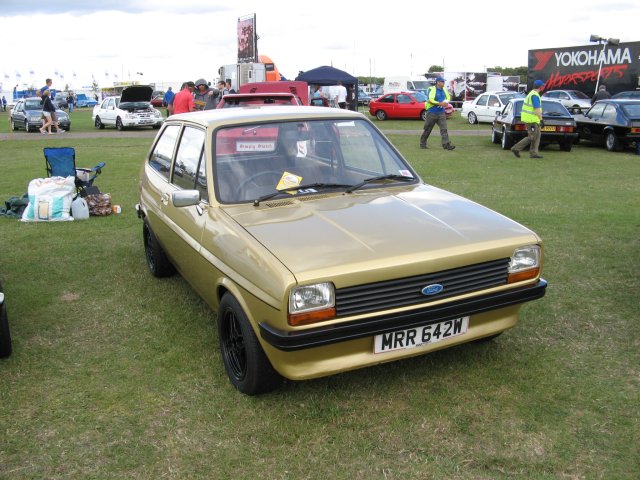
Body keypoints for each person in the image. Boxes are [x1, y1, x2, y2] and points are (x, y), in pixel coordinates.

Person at [511, 79, 545, 159]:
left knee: (537, 136)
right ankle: (516, 148)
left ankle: (534, 153)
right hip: (532, 120)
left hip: (532, 119)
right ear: (540, 87)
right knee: (532, 137)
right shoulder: (534, 95)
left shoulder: (532, 94)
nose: (543, 87)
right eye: (542, 86)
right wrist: (541, 120)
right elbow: (537, 109)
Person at [419, 76, 455, 150]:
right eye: (442, 82)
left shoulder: (444, 89)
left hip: (441, 113)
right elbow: (430, 100)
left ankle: (446, 145)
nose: (443, 83)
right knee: (428, 129)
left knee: (444, 129)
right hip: (432, 113)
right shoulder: (433, 89)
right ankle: (422, 143)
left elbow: (448, 97)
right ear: (438, 82)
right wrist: (440, 103)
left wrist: (446, 102)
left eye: (443, 81)